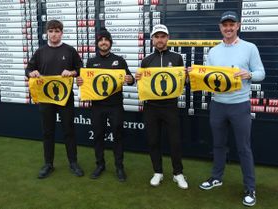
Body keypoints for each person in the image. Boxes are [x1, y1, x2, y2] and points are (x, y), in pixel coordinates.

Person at [197, 11, 265, 206]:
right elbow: (208, 78)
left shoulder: (249, 48)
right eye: (225, 25)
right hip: (218, 105)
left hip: (240, 105)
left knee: (244, 148)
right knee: (218, 145)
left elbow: (261, 73)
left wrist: (249, 74)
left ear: (238, 26)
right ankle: (216, 177)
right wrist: (195, 74)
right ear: (220, 28)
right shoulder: (214, 51)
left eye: (231, 24)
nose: (228, 28)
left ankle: (250, 188)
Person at [25, 20, 84, 179]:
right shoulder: (40, 51)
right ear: (47, 33)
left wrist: (71, 72)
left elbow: (80, 70)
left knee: (69, 131)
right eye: (51, 31)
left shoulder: (70, 50)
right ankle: (48, 164)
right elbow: (28, 69)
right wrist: (32, 73)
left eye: (57, 31)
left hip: (65, 99)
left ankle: (73, 162)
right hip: (46, 99)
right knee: (48, 132)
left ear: (62, 33)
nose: (54, 34)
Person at [77, 28, 134, 182]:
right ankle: (100, 165)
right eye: (100, 40)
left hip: (115, 106)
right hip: (97, 106)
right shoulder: (91, 61)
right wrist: (80, 82)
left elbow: (131, 79)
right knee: (98, 136)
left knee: (118, 136)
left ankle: (119, 167)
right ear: (97, 44)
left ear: (110, 42)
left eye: (106, 40)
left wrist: (130, 79)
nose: (103, 43)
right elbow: (85, 83)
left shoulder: (119, 60)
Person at [135, 24, 188, 189]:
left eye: (162, 36)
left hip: (170, 106)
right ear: (152, 40)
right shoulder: (146, 60)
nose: (160, 39)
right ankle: (157, 171)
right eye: (156, 36)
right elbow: (141, 85)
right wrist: (138, 78)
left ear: (168, 38)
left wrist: (186, 77)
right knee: (153, 140)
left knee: (175, 141)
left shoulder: (177, 58)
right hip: (151, 107)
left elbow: (183, 83)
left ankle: (178, 173)